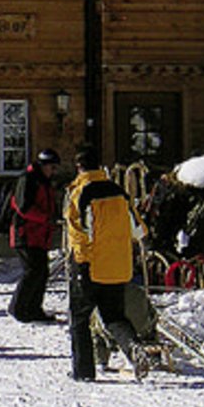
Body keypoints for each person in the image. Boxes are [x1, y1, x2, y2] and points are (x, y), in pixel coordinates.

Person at [63, 147, 151, 381]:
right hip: (118, 267)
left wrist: (80, 264)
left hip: (91, 265)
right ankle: (134, 348)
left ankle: (83, 372)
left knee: (79, 318)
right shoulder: (120, 193)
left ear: (79, 167)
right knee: (113, 316)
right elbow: (139, 229)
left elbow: (78, 233)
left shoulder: (80, 193)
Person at [8, 148, 61, 323]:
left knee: (41, 272)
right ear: (44, 165)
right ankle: (19, 308)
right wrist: (46, 218)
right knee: (32, 271)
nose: (54, 172)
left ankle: (33, 308)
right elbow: (23, 207)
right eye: (52, 168)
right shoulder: (29, 179)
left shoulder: (43, 181)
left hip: (39, 234)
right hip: (26, 233)